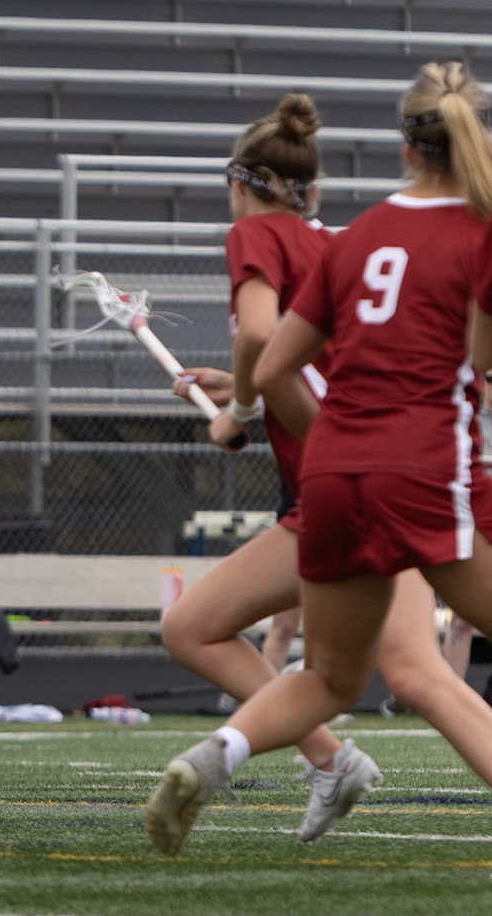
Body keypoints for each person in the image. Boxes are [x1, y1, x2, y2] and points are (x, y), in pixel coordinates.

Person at [147, 63, 492, 855]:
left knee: (332, 677)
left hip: (334, 477)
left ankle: (220, 754)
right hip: (423, 470)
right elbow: (479, 362)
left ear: (405, 149)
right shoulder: (467, 230)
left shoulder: (358, 236)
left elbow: (272, 362)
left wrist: (250, 414)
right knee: (417, 672)